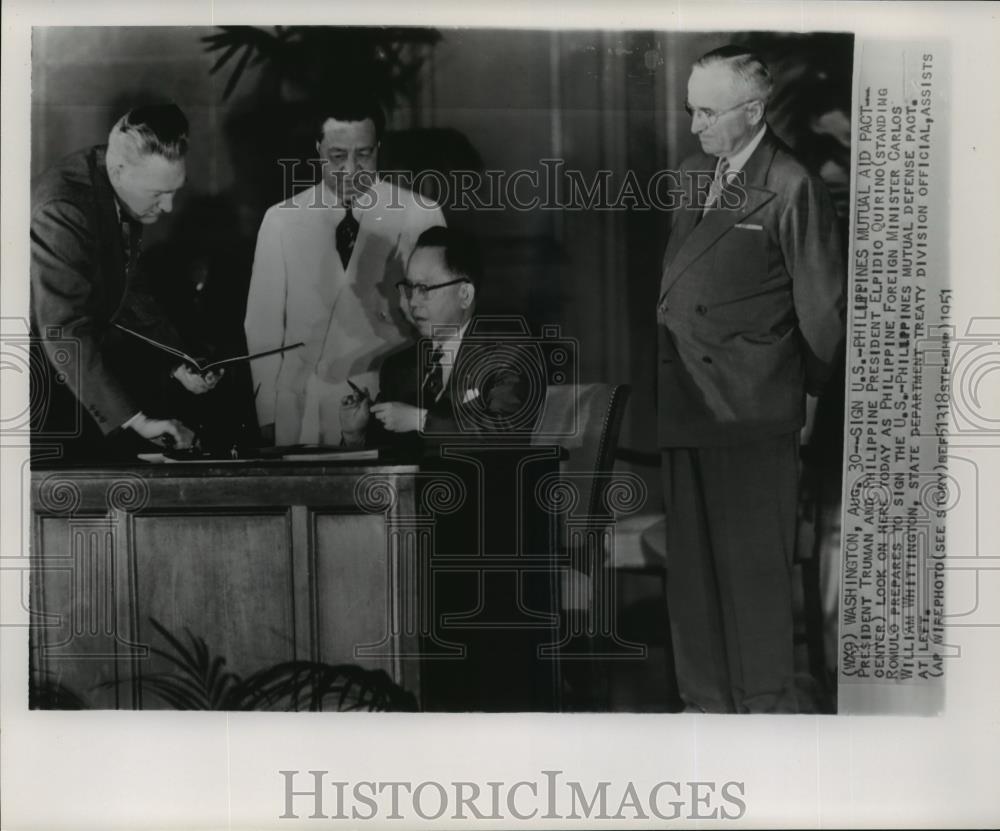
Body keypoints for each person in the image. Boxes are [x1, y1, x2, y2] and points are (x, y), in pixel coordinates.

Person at [656, 46, 846, 713]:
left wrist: (804, 399)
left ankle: (763, 720)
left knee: (754, 581)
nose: (695, 126)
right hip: (688, 406)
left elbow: (823, 312)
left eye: (709, 112)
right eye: (691, 110)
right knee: (696, 584)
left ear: (754, 111)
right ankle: (705, 711)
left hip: (752, 412)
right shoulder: (689, 175)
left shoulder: (791, 183)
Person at [244, 95, 445, 447]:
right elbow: (262, 327)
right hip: (300, 410)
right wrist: (268, 417)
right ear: (318, 149)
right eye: (338, 156)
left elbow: (441, 323)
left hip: (386, 405)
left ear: (378, 148)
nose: (351, 169)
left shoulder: (419, 213)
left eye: (364, 154)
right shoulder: (281, 220)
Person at [30, 103, 221, 459]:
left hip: (74, 380)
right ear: (118, 171)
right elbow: (64, 330)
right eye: (158, 195)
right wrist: (136, 420)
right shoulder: (62, 209)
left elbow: (128, 288)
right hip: (31, 392)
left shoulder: (118, 179)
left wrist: (178, 361)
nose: (168, 208)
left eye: (174, 191)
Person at [339, 225, 542, 453]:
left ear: (465, 294)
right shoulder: (398, 368)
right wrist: (355, 435)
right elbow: (381, 461)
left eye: (425, 288)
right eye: (410, 287)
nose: (412, 302)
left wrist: (422, 421)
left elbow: (505, 437)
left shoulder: (511, 353)